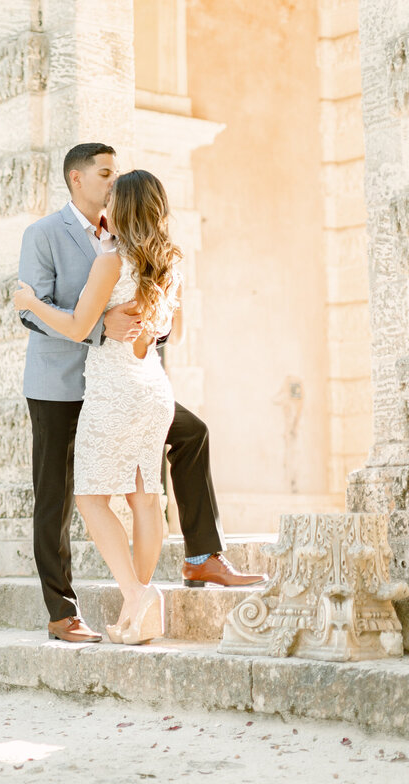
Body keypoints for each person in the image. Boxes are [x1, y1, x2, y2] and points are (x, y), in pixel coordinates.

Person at [14, 144, 264, 645]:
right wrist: (107, 327)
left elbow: (152, 324)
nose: (112, 181)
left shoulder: (119, 248)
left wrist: (134, 324)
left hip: (119, 383)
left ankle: (193, 562)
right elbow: (31, 316)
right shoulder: (44, 234)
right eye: (104, 173)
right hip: (66, 384)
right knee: (61, 496)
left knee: (186, 440)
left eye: (117, 175)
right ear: (76, 179)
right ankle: (64, 612)